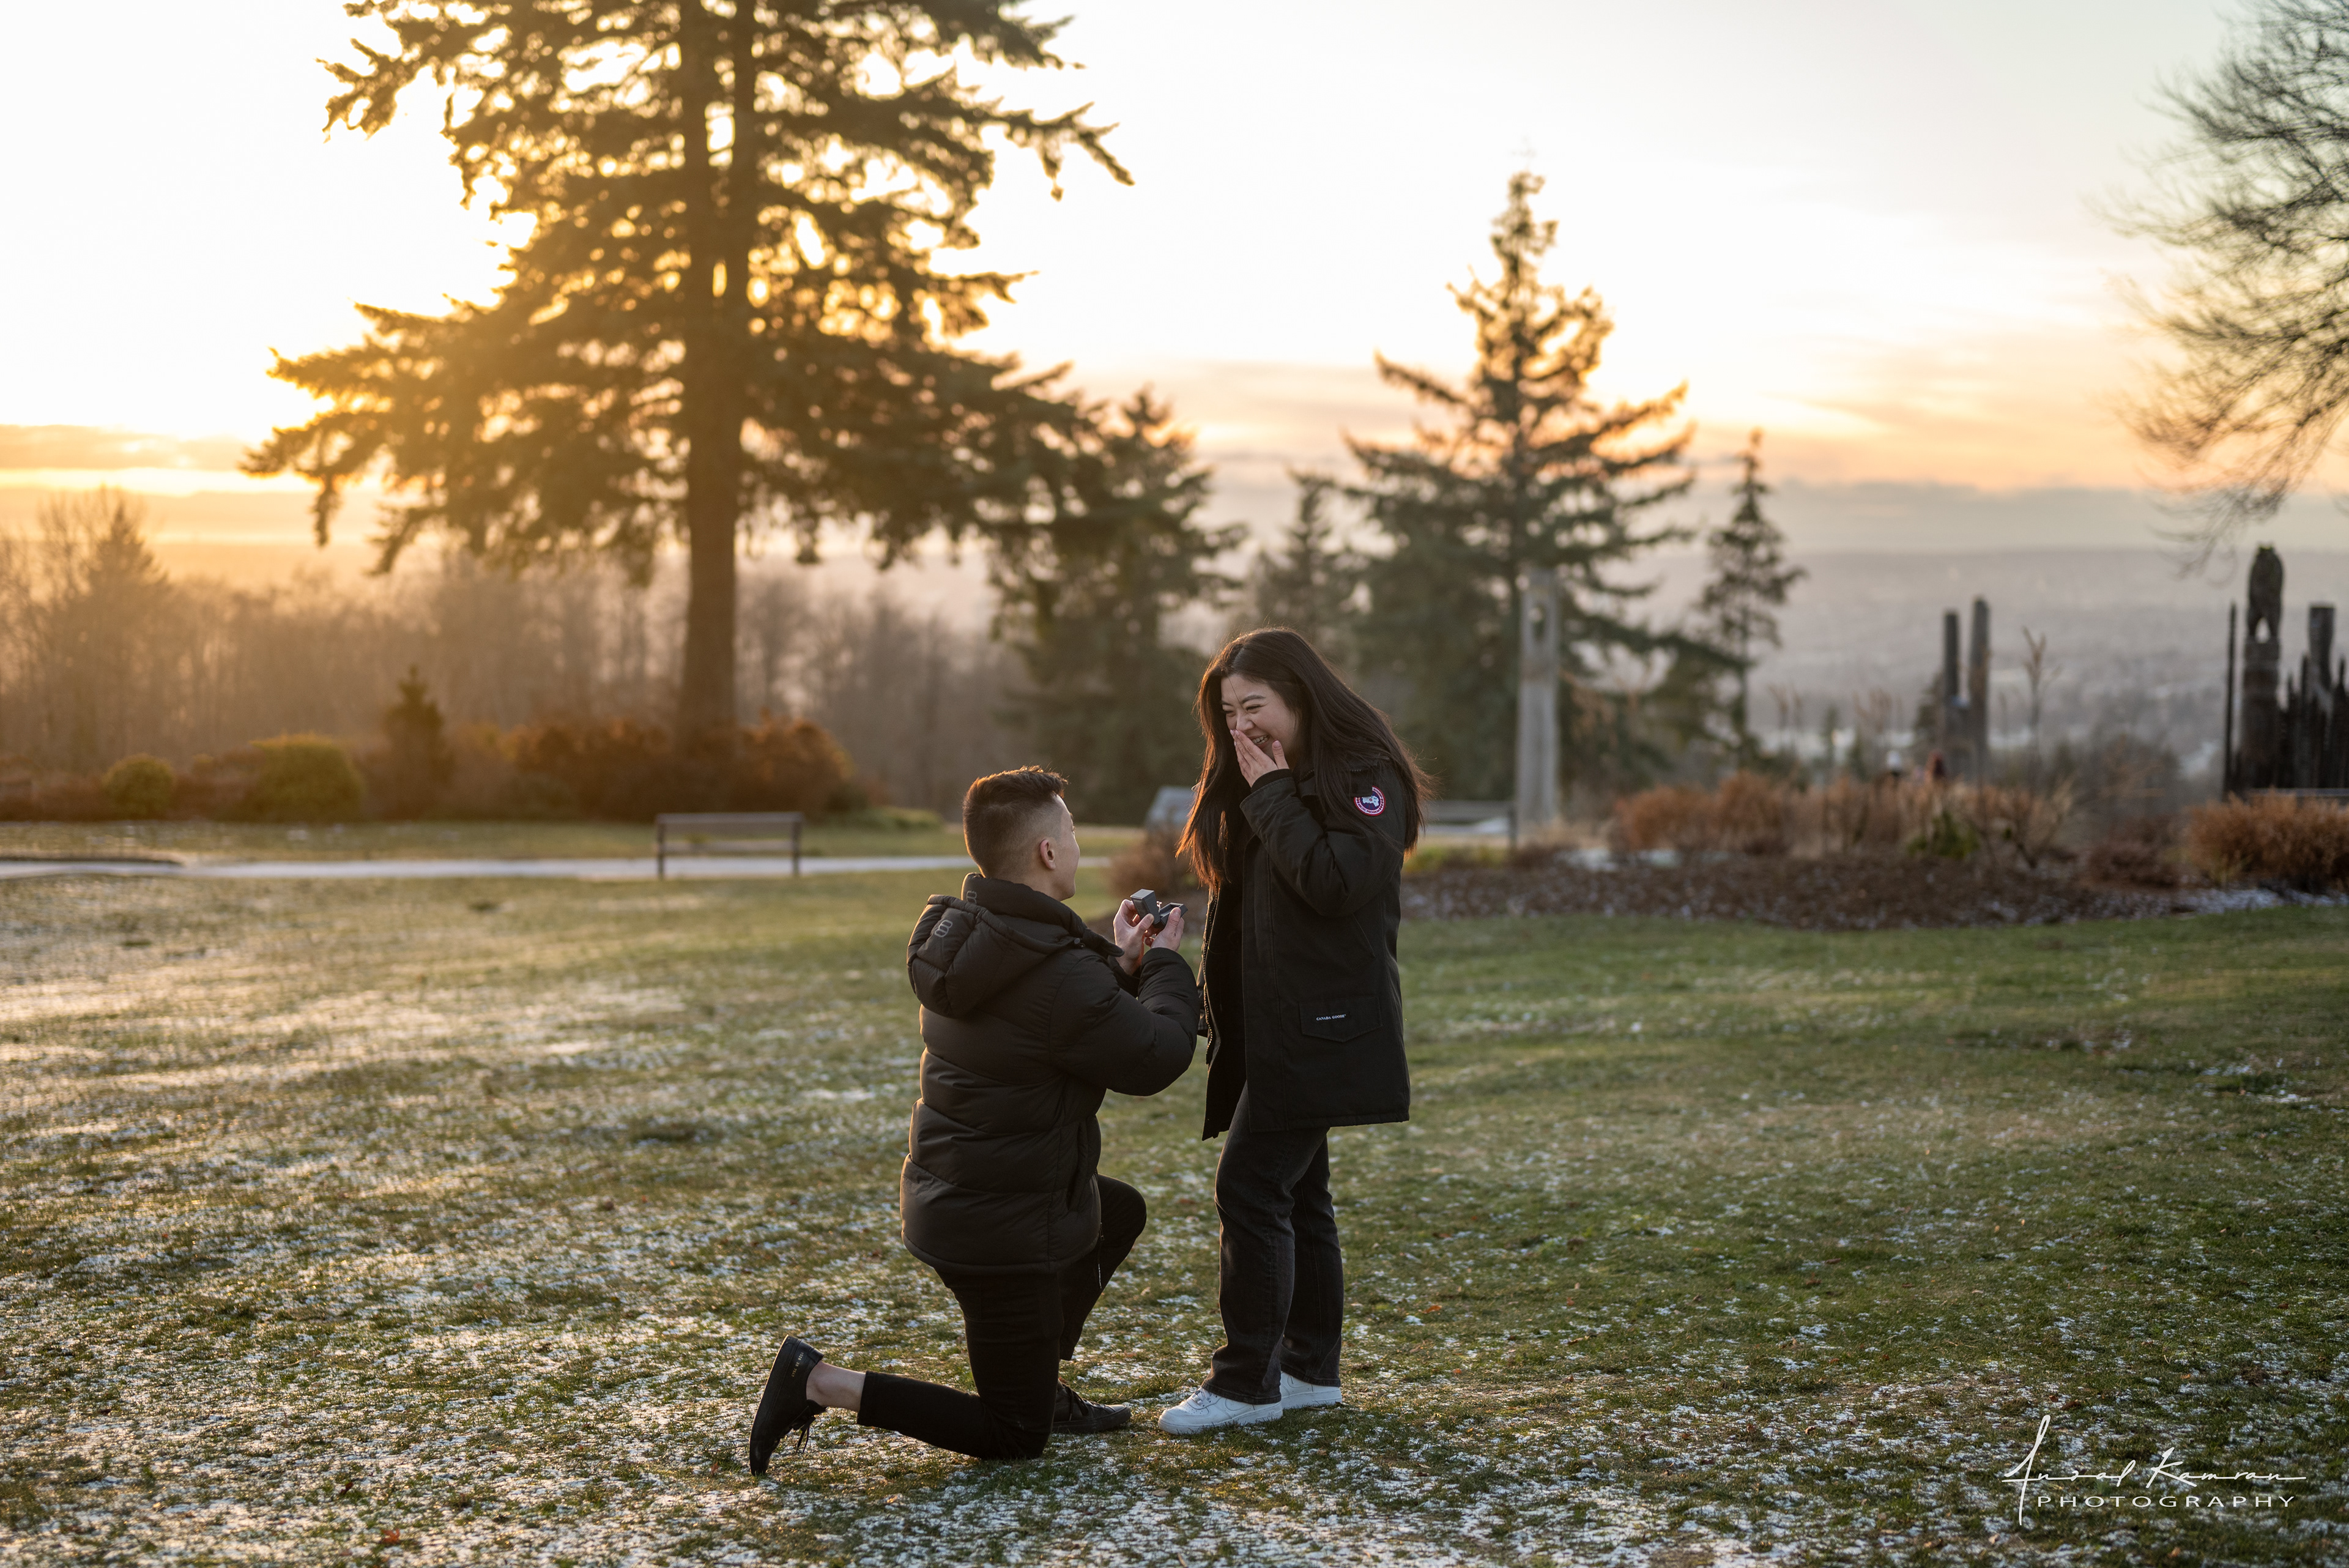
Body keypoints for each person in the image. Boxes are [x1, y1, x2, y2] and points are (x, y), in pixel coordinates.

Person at [748, 766, 1198, 1470]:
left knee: (1116, 1211)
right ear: (1048, 853)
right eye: (1072, 832)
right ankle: (815, 1380)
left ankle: (1037, 1383)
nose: (1078, 844)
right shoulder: (1056, 970)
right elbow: (1155, 1055)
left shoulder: (981, 937)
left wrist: (1121, 963)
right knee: (1012, 1438)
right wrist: (1166, 966)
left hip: (966, 1195)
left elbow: (1047, 1015)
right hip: (1001, 1232)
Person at [1159, 628, 1430, 1434]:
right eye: (1229, 711)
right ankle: (1309, 1371)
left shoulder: (1362, 777)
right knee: (1301, 1195)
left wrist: (1272, 792)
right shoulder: (1262, 776)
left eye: (1257, 706)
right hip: (1279, 1023)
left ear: (1301, 697)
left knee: (1251, 1185)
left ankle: (1246, 1382)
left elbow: (1336, 882)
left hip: (1323, 1025)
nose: (1242, 724)